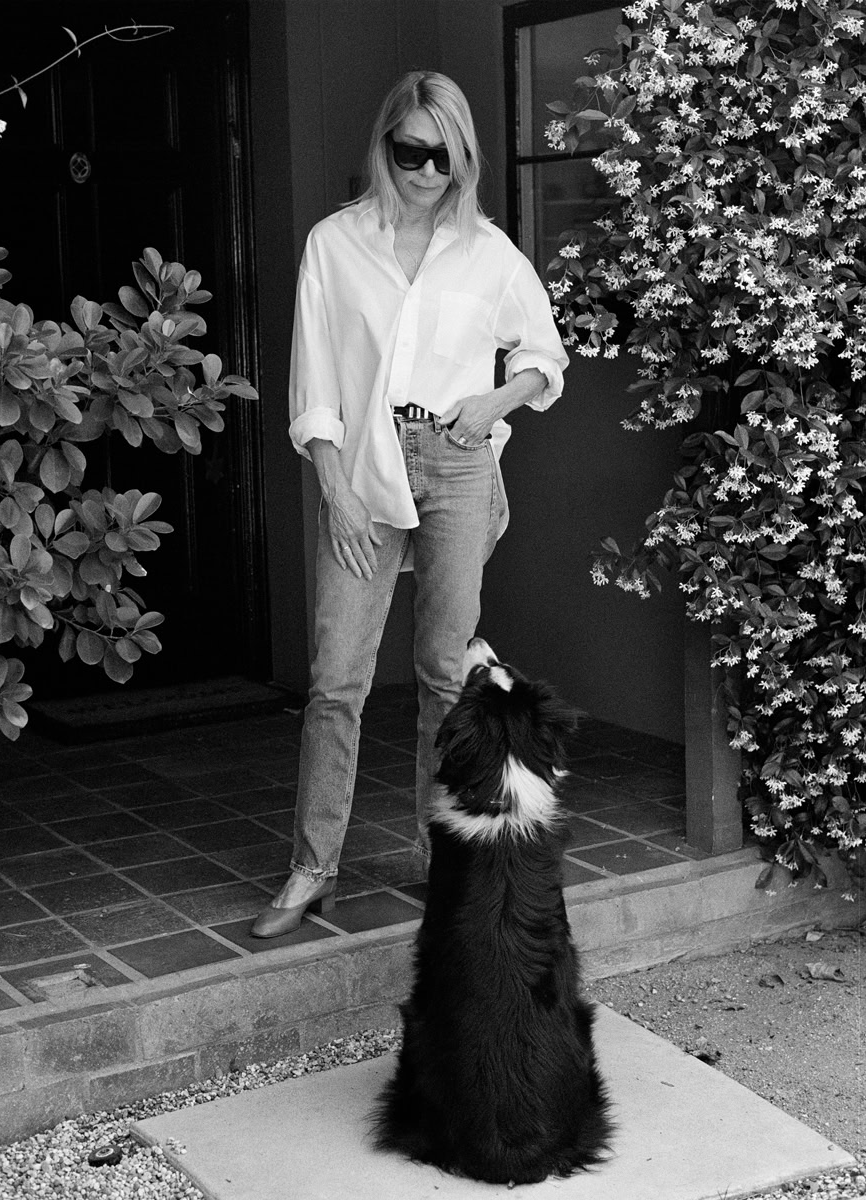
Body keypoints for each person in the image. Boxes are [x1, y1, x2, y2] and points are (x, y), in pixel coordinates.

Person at [250, 70, 567, 938]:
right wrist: (335, 493)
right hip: (362, 469)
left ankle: (444, 862)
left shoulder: (489, 252)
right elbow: (313, 384)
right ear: (385, 144)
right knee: (335, 681)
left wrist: (492, 403)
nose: (429, 172)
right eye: (411, 152)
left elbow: (544, 360)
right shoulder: (335, 244)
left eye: (446, 156)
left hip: (459, 465)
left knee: (440, 675)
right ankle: (312, 870)